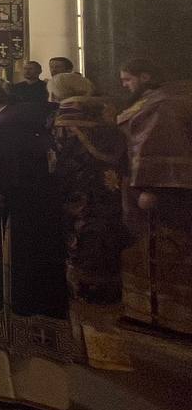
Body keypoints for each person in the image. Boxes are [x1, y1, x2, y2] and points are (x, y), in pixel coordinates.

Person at [0, 77, 77, 410]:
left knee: (7, 295)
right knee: (38, 296)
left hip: (8, 234)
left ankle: (3, 387)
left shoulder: (4, 131)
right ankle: (43, 391)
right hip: (37, 228)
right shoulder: (31, 122)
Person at [49, 72, 131, 369]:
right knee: (105, 269)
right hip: (111, 206)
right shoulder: (110, 124)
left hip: (76, 209)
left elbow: (54, 169)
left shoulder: (63, 126)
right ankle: (108, 348)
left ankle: (79, 347)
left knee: (76, 272)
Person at [116, 58, 192, 335]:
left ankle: (162, 315)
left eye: (128, 79)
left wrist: (151, 188)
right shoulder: (171, 97)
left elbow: (160, 147)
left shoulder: (161, 105)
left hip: (162, 190)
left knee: (161, 249)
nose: (125, 86)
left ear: (145, 76)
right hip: (170, 188)